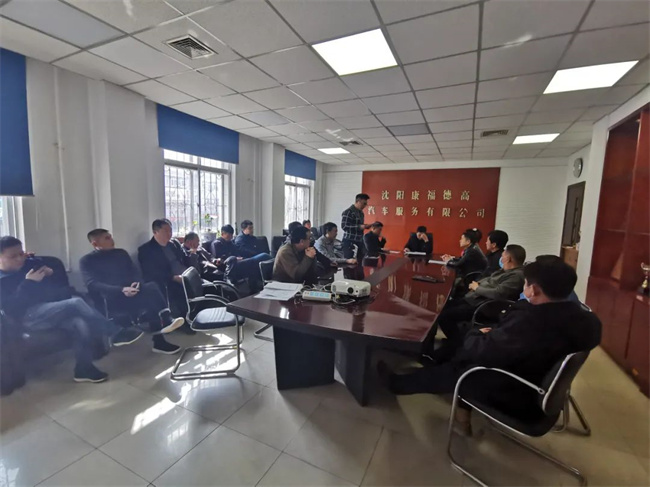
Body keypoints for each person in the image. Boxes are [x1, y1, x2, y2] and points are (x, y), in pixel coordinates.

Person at [378, 257, 602, 430]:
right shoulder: (586, 321)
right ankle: (434, 364)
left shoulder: (533, 321)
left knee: (460, 364)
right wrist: (497, 334)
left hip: (518, 392)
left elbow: (483, 352)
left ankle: (398, 384)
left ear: (533, 290)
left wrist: (477, 334)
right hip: (537, 379)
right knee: (462, 351)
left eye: (525, 284)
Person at [0, 236, 143, 383]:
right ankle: (115, 332)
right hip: (26, 318)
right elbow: (11, 308)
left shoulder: (27, 264)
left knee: (78, 323)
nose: (19, 259)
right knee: (76, 303)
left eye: (21, 253)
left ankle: (83, 369)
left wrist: (48, 271)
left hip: (49, 310)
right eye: (13, 256)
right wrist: (28, 283)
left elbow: (47, 280)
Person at [80, 229, 183, 354]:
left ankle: (164, 326)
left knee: (151, 288)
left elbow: (134, 272)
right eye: (107, 238)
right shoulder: (87, 261)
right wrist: (122, 290)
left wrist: (136, 282)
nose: (112, 240)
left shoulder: (120, 253)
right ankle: (161, 330)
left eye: (110, 236)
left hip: (132, 292)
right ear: (95, 244)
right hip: (113, 298)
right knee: (151, 297)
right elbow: (92, 284)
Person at [431, 244, 527, 360]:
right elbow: (489, 279)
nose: (501, 258)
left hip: (484, 306)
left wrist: (477, 288)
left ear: (508, 258)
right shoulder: (506, 271)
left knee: (445, 316)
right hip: (475, 299)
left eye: (503, 255)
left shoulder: (516, 276)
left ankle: (458, 344)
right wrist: (477, 285)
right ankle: (452, 340)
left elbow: (498, 293)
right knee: (442, 307)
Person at [138, 219, 193, 332]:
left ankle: (192, 316)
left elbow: (183, 259)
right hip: (167, 278)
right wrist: (172, 277)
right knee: (179, 289)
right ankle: (181, 321)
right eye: (166, 231)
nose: (169, 234)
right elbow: (151, 272)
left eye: (170, 230)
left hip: (184, 273)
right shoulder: (146, 250)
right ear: (155, 232)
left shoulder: (174, 244)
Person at [211, 224, 269, 291]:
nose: (231, 237)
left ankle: (255, 287)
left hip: (238, 262)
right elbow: (219, 259)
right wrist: (235, 258)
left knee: (255, 263)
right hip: (229, 265)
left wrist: (239, 257)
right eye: (229, 235)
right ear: (222, 234)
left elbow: (236, 253)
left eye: (231, 235)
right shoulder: (217, 243)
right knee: (263, 256)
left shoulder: (230, 243)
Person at [341, 193, 371, 260]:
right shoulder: (348, 212)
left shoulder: (361, 213)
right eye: (364, 203)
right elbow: (344, 226)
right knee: (349, 262)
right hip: (349, 242)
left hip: (359, 241)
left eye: (366, 204)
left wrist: (365, 226)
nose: (365, 206)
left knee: (360, 261)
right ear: (358, 201)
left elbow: (359, 225)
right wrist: (360, 227)